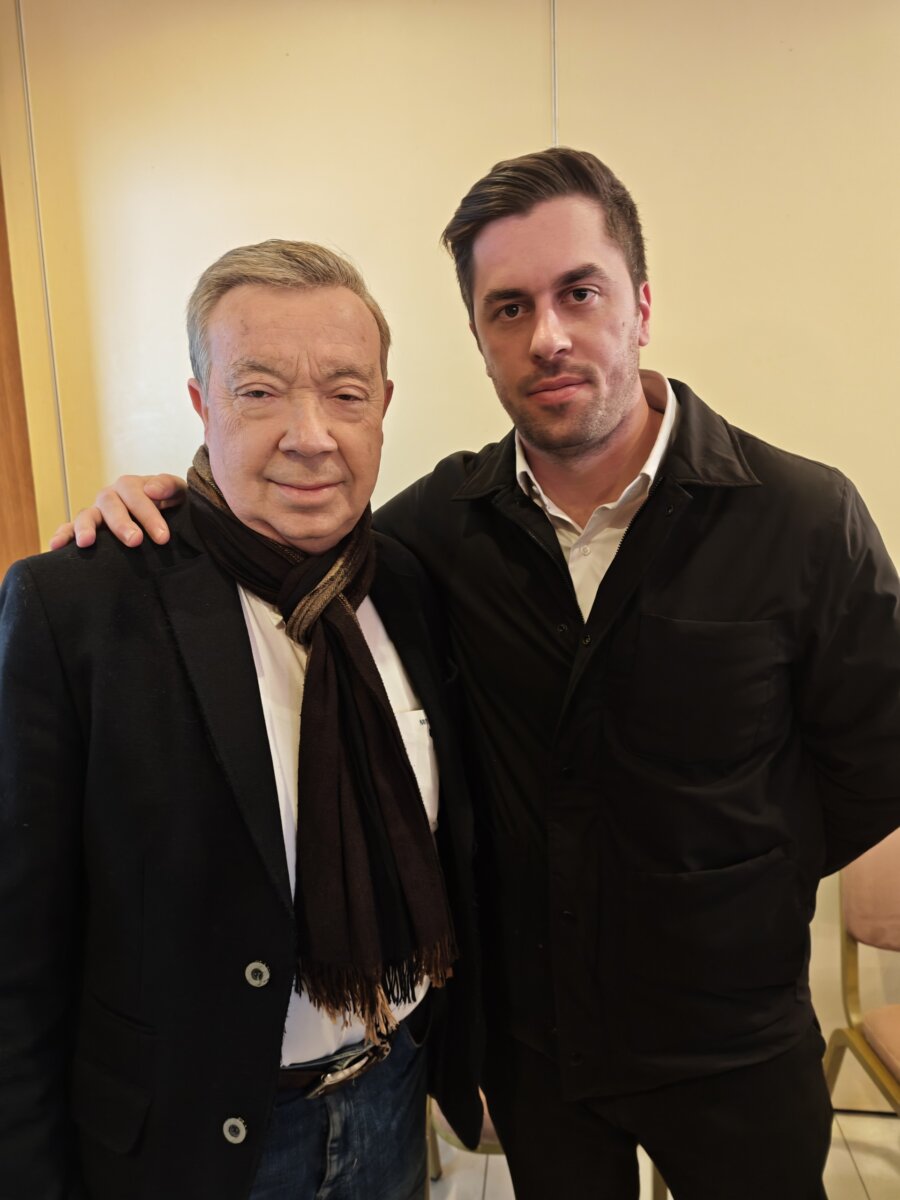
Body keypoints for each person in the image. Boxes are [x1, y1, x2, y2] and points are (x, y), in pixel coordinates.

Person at [52, 149, 900, 1200]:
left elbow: (871, 769)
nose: (547, 335)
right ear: (479, 337)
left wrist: (730, 882)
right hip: (538, 1053)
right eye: (509, 307)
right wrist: (165, 507)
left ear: (639, 304)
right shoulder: (430, 538)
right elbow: (284, 521)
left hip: (736, 1045)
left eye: (579, 292)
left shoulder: (805, 519)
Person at [0, 239, 484, 1200]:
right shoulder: (82, 606)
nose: (311, 435)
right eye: (259, 392)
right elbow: (17, 949)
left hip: (390, 1100)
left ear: (384, 406)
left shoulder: (408, 584)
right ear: (201, 404)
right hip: (193, 1143)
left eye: (345, 394)